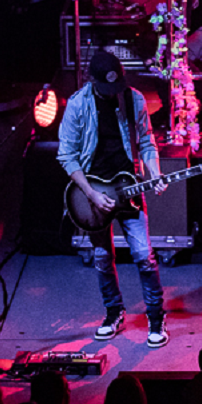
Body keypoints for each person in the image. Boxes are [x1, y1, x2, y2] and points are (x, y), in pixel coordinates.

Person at [56, 50, 170, 347]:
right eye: (106, 88)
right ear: (91, 80)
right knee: (103, 258)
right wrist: (91, 194)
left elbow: (146, 141)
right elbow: (66, 156)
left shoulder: (133, 99)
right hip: (94, 193)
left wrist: (153, 172)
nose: (112, 94)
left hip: (128, 187)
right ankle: (114, 313)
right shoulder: (77, 106)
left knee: (144, 257)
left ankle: (156, 319)